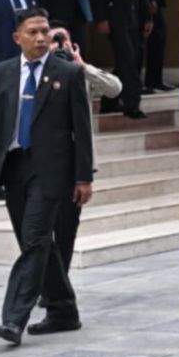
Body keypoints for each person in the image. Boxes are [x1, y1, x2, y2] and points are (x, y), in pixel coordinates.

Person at [0, 7, 94, 346]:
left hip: (52, 171)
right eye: (33, 32)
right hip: (14, 168)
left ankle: (13, 319)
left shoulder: (67, 73)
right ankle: (64, 309)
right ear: (16, 37)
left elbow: (83, 130)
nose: (40, 38)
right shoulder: (2, 73)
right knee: (36, 243)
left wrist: (83, 177)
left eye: (45, 32)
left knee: (35, 238)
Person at [47, 23, 121, 272]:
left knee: (67, 229)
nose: (59, 45)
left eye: (64, 39)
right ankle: (48, 284)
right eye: (53, 40)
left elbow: (114, 88)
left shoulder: (78, 74)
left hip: (76, 164)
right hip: (45, 164)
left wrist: (82, 65)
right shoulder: (35, 73)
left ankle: (60, 282)